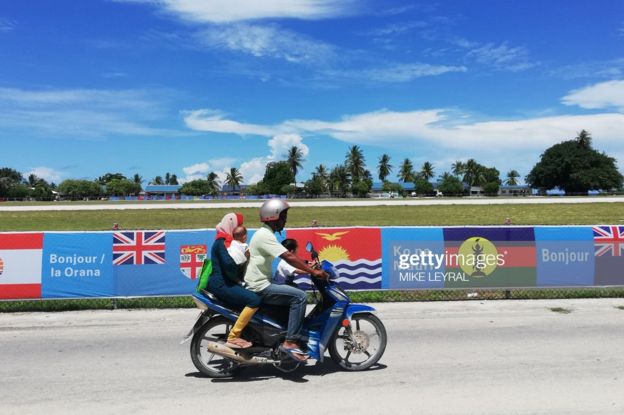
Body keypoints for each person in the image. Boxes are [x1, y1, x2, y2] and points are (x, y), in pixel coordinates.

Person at [245, 199, 328, 362]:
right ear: (273, 217)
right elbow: (288, 256)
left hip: (262, 283)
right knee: (299, 297)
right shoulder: (265, 235)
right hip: (260, 286)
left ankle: (284, 334)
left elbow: (291, 257)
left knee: (292, 294)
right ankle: (290, 342)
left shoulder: (265, 234)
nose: (285, 220)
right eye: (283, 216)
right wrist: (313, 271)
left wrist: (308, 266)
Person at [207, 213, 260, 349]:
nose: (240, 228)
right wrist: (238, 279)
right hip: (222, 285)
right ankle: (233, 337)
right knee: (254, 300)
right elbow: (229, 265)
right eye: (238, 225)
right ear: (231, 226)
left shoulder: (227, 241)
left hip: (224, 283)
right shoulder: (222, 242)